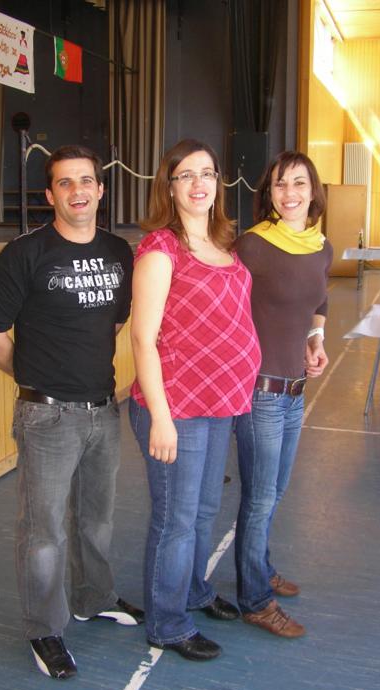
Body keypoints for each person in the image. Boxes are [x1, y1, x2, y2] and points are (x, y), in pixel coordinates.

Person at [0, 145, 142, 680]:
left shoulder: (118, 251)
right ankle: (44, 629)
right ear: (50, 195)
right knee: (44, 532)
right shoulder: (24, 253)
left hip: (103, 410)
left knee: (96, 519)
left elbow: (114, 322)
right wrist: (32, 377)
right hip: (47, 417)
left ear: (101, 189)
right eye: (65, 183)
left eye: (86, 180)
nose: (77, 191)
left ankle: (94, 598)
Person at [129, 139, 261, 661]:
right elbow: (143, 339)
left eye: (207, 173)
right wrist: (160, 419)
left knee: (204, 509)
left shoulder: (225, 244)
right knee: (176, 519)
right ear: (169, 187)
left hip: (219, 402)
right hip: (175, 407)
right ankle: (167, 622)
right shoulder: (161, 249)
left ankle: (195, 590)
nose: (198, 183)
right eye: (185, 175)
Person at [234, 150, 332, 638]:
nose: (289, 193)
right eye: (279, 184)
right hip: (261, 393)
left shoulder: (321, 246)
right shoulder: (252, 246)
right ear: (268, 193)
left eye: (298, 183)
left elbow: (320, 297)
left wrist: (316, 340)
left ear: (313, 191)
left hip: (295, 389)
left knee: (274, 492)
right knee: (259, 497)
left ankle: (260, 566)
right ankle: (255, 599)